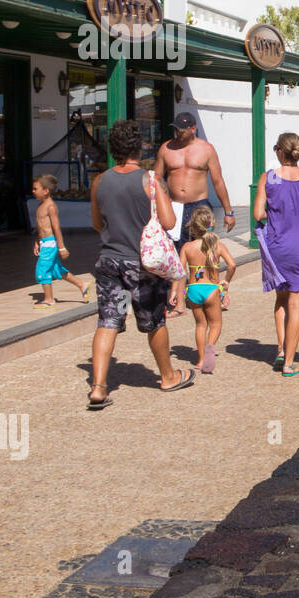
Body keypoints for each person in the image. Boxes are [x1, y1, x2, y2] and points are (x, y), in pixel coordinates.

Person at [88, 119, 195, 410]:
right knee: (153, 322)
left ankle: (98, 387)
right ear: (140, 146)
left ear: (112, 148)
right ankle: (168, 376)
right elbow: (170, 222)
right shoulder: (150, 180)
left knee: (108, 322)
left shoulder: (100, 181)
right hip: (141, 264)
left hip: (109, 261)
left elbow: (98, 224)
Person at [253, 132, 299, 377]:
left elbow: (258, 214)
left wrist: (276, 214)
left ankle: (281, 350)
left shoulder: (269, 178)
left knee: (281, 299)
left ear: (279, 151)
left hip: (277, 248)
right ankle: (289, 364)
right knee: (296, 304)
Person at [155, 112, 235, 319]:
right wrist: (156, 206)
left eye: (182, 130)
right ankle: (179, 302)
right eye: (176, 129)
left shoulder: (206, 149)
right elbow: (156, 179)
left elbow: (218, 181)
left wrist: (228, 211)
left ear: (192, 128)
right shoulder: (166, 148)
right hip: (174, 206)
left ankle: (212, 292)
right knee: (177, 255)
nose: (178, 133)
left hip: (199, 206)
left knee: (205, 253)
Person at [179, 205, 237, 373]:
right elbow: (232, 265)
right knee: (216, 324)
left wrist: (177, 292)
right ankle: (210, 347)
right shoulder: (217, 246)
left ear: (193, 227)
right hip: (211, 288)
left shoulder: (187, 247)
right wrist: (226, 281)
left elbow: (179, 271)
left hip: (194, 289)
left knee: (200, 325)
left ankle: (200, 359)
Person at [31, 173, 92, 307]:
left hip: (50, 243)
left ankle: (49, 299)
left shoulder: (50, 206)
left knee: (42, 270)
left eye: (36, 189)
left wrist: (61, 247)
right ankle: (82, 285)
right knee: (56, 270)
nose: (33, 191)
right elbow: (41, 227)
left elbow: (56, 228)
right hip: (44, 242)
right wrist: (37, 241)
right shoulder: (41, 205)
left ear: (46, 191)